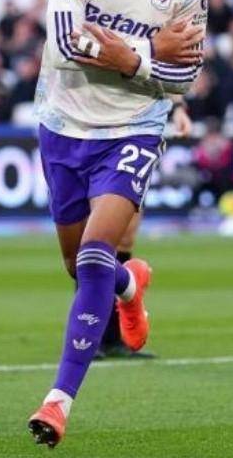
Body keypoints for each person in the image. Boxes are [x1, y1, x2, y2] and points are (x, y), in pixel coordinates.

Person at [27, 0, 208, 449]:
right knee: (80, 267)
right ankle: (130, 286)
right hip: (63, 122)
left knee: (95, 251)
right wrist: (149, 52)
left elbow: (185, 77)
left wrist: (129, 59)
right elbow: (63, 42)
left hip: (134, 128)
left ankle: (58, 402)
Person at [97, 98, 192, 359]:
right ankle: (91, 334)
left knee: (126, 236)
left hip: (137, 131)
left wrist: (178, 108)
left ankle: (113, 337)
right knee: (99, 238)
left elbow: (161, 77)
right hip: (99, 128)